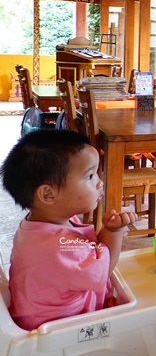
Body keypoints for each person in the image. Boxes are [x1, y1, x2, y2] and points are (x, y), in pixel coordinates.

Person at [0, 129, 137, 330]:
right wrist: (115, 233)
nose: (100, 181)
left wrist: (108, 229)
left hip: (46, 318)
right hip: (62, 334)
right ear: (48, 194)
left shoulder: (41, 225)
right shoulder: (59, 248)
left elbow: (92, 252)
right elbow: (103, 271)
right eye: (89, 176)